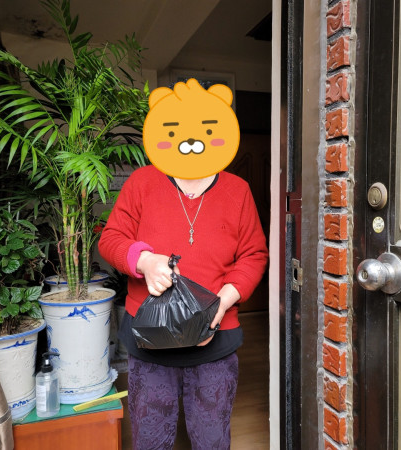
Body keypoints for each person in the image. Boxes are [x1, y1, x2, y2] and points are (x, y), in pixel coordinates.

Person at [98, 78, 268, 449]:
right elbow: (110, 240)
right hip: (150, 337)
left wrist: (224, 299)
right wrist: (145, 261)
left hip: (216, 338)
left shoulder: (237, 190)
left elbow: (254, 253)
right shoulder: (142, 182)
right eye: (175, 129)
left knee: (211, 438)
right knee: (151, 438)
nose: (191, 140)